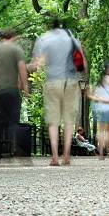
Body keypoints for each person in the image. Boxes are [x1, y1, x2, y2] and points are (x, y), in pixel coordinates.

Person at [29, 18, 88, 166]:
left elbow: (37, 64)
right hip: (71, 82)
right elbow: (83, 63)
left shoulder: (44, 39)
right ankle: (66, 155)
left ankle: (55, 157)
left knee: (53, 122)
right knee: (69, 120)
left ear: (50, 27)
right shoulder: (71, 37)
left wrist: (25, 67)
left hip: (53, 82)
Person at [0, 28, 29, 166]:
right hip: (11, 90)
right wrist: (25, 87)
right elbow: (22, 68)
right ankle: (18, 151)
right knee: (13, 121)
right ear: (13, 36)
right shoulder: (16, 50)